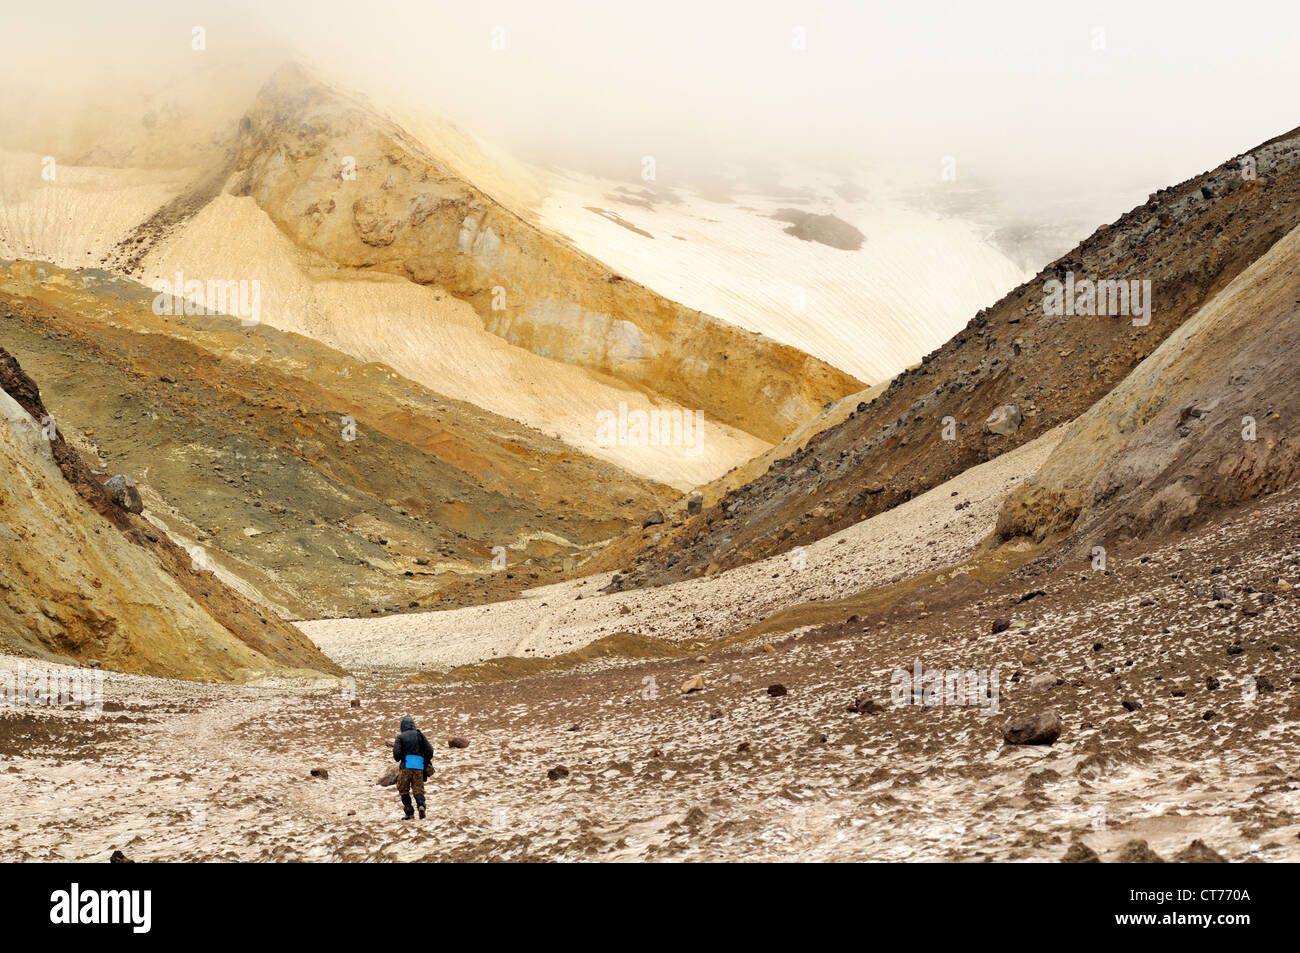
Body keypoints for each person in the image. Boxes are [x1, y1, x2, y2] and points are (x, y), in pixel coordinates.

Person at [392, 716, 434, 820]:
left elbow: (396, 755)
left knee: (404, 790)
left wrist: (401, 757)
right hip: (418, 767)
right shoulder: (420, 735)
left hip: (406, 767)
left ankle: (409, 813)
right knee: (418, 789)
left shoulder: (400, 737)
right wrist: (425, 760)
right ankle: (421, 805)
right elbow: (430, 750)